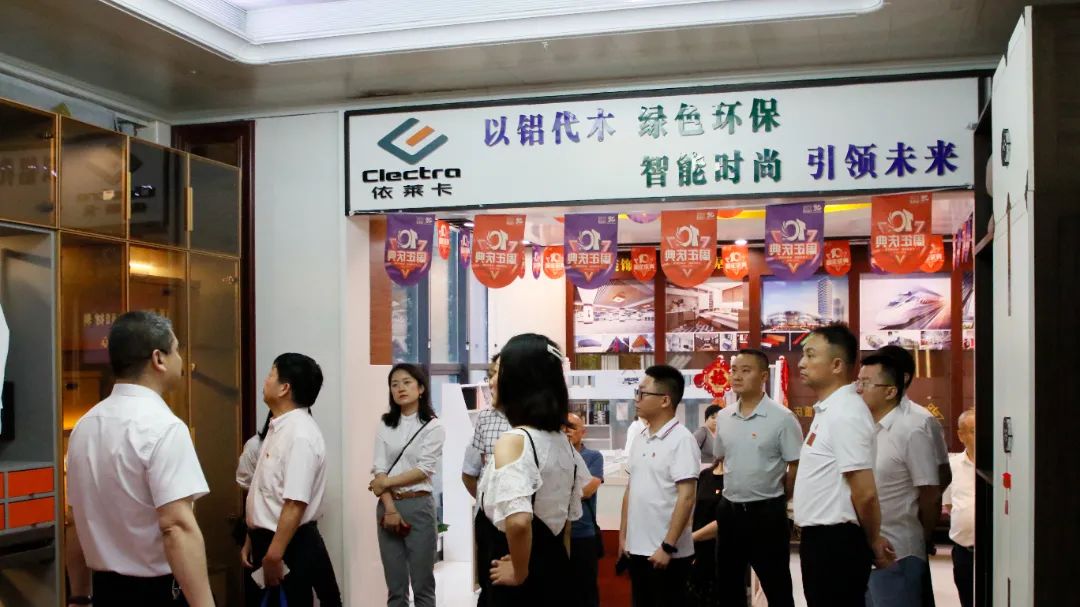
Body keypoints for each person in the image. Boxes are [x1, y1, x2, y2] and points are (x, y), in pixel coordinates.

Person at [65, 311, 214, 606]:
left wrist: (79, 596)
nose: (181, 359)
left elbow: (74, 520)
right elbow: (176, 526)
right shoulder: (165, 427)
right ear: (159, 359)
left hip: (105, 591)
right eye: (176, 350)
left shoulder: (84, 426)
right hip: (157, 592)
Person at [476, 333, 590, 607]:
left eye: (498, 372)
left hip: (517, 585)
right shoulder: (562, 443)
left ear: (520, 380)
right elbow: (565, 527)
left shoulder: (515, 440)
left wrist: (519, 571)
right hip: (554, 575)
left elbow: (518, 521)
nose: (491, 381)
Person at [793, 324, 894, 607]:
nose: (801, 363)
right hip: (821, 540)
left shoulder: (846, 413)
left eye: (811, 355)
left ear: (837, 365)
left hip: (836, 542)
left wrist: (873, 540)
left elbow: (865, 492)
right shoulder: (830, 410)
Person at [243, 354, 340, 607]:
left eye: (271, 374)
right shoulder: (279, 428)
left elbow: (295, 503)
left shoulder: (300, 435)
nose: (265, 380)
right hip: (270, 541)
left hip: (287, 545)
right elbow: (268, 494)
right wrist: (251, 537)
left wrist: (274, 555)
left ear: (284, 388)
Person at [710, 348, 802, 607]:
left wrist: (782, 496)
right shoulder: (724, 416)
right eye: (734, 370)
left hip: (767, 513)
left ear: (763, 376)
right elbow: (721, 457)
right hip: (729, 511)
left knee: (777, 586)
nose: (737, 376)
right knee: (728, 586)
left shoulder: (782, 417)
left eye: (745, 370)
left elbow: (795, 465)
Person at [857, 353, 940, 607]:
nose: (858, 389)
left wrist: (923, 536)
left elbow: (930, 492)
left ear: (891, 391)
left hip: (899, 551)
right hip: (863, 550)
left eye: (866, 383)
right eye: (858, 382)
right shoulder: (862, 427)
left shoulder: (911, 430)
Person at [877, 345, 951, 607]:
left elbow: (939, 477)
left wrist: (923, 528)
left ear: (902, 378)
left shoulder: (921, 421)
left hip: (905, 536)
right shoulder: (866, 418)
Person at [620, 364, 700, 607]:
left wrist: (668, 546)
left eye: (642, 393)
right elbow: (631, 489)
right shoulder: (640, 438)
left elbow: (687, 497)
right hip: (637, 550)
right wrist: (624, 538)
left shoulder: (682, 440)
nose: (637, 398)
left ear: (665, 400)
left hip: (667, 554)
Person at [371, 363, 446, 607]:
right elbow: (379, 467)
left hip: (418, 505)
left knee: (423, 585)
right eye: (394, 384)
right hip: (388, 506)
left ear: (421, 388)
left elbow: (423, 470)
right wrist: (390, 508)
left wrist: (386, 482)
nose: (400, 388)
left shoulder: (433, 426)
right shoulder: (385, 423)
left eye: (406, 382)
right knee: (395, 588)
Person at [564, 412, 604, 607]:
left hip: (583, 534)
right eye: (563, 426)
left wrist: (558, 492)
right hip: (557, 535)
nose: (567, 431)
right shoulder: (553, 456)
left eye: (572, 427)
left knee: (586, 590)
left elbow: (587, 490)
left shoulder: (593, 457)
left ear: (583, 432)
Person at [463, 354, 510, 498]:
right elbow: (469, 474)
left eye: (497, 374)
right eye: (490, 375)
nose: (490, 382)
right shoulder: (486, 417)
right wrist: (486, 505)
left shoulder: (540, 420)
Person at [943, 409, 976, 607]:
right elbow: (948, 505)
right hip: (964, 552)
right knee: (967, 599)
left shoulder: (998, 465)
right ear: (961, 435)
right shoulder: (952, 466)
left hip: (993, 553)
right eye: (972, 431)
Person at [688, 458, 724, 606]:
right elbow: (692, 510)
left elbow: (725, 521)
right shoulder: (705, 475)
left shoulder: (736, 480)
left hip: (720, 552)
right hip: (696, 550)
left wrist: (692, 538)